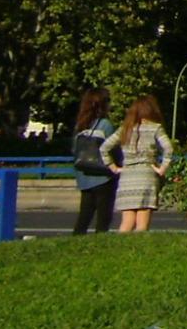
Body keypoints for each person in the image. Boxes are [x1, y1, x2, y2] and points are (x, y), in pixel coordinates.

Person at [103, 95, 174, 233]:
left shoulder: (125, 129)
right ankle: (138, 250)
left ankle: (120, 249)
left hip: (127, 177)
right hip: (146, 175)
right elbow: (168, 148)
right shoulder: (155, 128)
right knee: (142, 223)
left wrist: (113, 167)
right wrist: (162, 168)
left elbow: (104, 147)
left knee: (127, 222)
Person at [71, 88, 118, 235]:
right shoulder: (105, 125)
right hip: (103, 176)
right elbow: (113, 148)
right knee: (103, 217)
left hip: (84, 175)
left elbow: (74, 150)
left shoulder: (80, 125)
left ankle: (76, 241)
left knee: (84, 215)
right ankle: (100, 244)